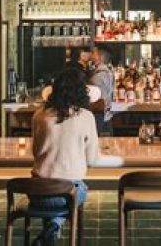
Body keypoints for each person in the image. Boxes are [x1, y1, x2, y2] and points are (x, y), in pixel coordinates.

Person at [29, 67, 101, 245]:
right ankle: (54, 225)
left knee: (56, 192)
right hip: (67, 193)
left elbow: (36, 152)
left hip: (37, 192)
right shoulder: (86, 117)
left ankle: (50, 232)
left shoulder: (39, 115)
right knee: (80, 189)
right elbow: (92, 159)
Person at [89, 45, 114, 133]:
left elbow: (99, 103)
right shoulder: (109, 73)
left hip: (99, 117)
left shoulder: (97, 77)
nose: (91, 56)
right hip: (108, 116)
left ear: (100, 57)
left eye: (93, 53)